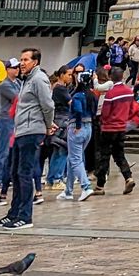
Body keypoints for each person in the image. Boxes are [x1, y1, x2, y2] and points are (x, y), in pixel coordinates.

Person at [0, 46, 53, 232]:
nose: (22, 63)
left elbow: (48, 105)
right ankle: (14, 212)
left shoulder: (39, 79)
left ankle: (25, 215)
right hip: (21, 130)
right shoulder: (26, 80)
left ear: (35, 62)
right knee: (15, 172)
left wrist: (47, 125)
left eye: (26, 60)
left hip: (32, 130)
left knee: (25, 173)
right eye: (21, 60)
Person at [91, 65, 139, 194]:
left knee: (104, 156)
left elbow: (106, 112)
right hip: (121, 127)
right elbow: (131, 109)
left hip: (109, 128)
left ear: (111, 77)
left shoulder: (111, 94)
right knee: (119, 154)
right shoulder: (129, 92)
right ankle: (128, 177)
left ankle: (100, 186)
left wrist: (102, 122)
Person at [59, 71, 96, 201]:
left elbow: (78, 110)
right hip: (89, 127)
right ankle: (68, 190)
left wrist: (78, 125)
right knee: (72, 158)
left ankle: (86, 187)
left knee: (75, 159)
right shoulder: (92, 95)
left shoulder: (78, 96)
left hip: (76, 127)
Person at [0, 63, 19, 193]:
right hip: (6, 120)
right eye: (14, 67)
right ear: (7, 70)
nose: (17, 69)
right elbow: (19, 98)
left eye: (18, 67)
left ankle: (7, 177)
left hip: (14, 119)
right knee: (3, 151)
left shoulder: (17, 83)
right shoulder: (5, 85)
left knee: (10, 151)